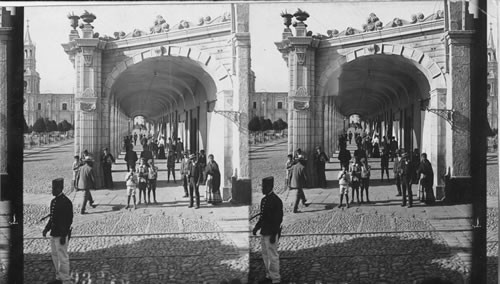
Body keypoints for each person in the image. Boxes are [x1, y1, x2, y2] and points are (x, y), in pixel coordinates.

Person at [252, 177, 283, 284]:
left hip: (271, 233)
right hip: (264, 231)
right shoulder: (264, 200)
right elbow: (262, 217)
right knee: (265, 255)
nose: (262, 189)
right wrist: (256, 227)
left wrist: (274, 234)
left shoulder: (276, 201)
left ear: (270, 187)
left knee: (273, 256)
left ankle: (275, 279)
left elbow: (278, 219)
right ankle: (269, 275)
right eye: (262, 186)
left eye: (264, 187)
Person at [43, 178, 73, 284]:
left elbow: (69, 220)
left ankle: (65, 279)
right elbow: (52, 218)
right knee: (55, 256)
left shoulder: (66, 202)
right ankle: (58, 277)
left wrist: (63, 236)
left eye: (54, 188)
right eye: (52, 188)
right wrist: (46, 228)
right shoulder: (53, 201)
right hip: (54, 233)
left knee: (63, 257)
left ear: (60, 188)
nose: (52, 190)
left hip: (61, 234)